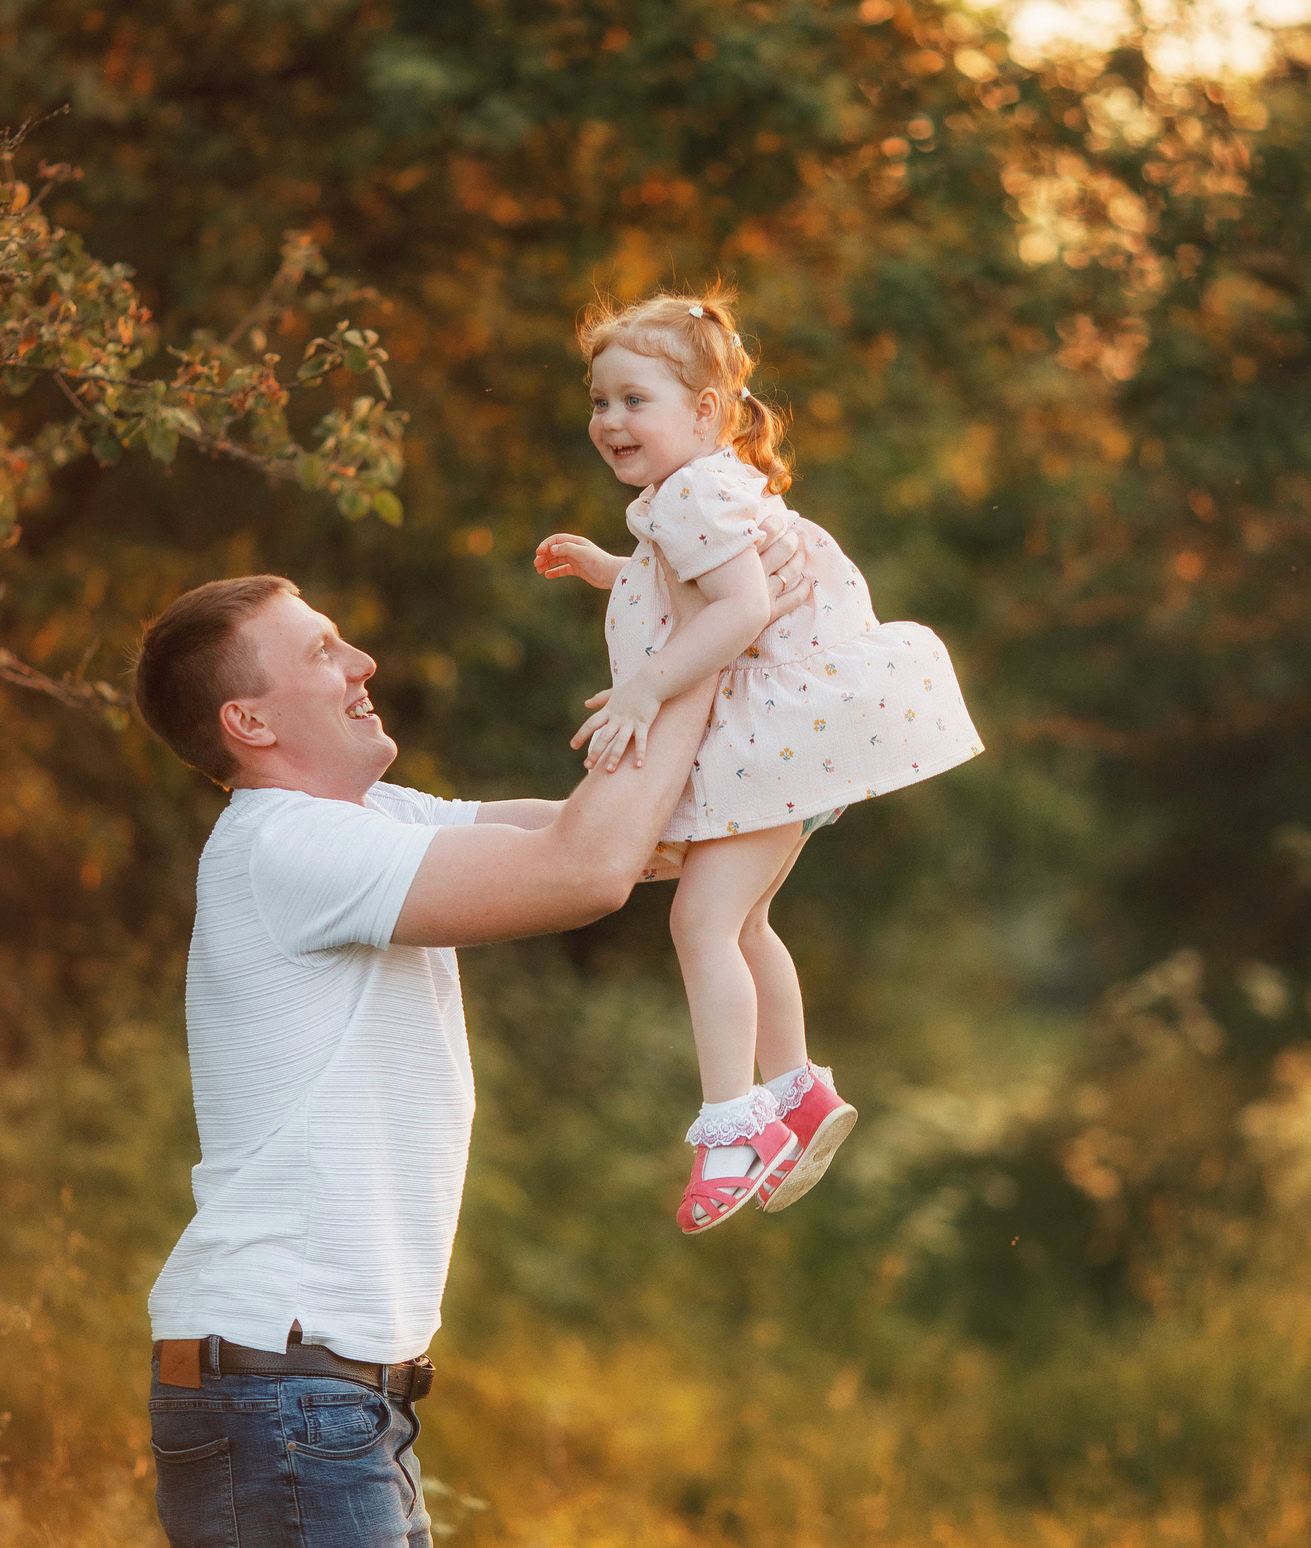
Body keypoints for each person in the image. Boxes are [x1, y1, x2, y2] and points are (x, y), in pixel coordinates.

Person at [129, 545, 805, 1548]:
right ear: (251, 722)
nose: (361, 663)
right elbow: (584, 873)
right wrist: (709, 643)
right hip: (285, 1393)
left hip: (324, 1400)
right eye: (322, 652)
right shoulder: (288, 846)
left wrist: (749, 663)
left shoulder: (377, 819)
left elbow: (635, 838)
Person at [533, 288, 985, 1236]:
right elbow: (684, 575)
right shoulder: (693, 493)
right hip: (786, 744)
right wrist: (605, 566)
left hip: (772, 740)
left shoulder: (692, 490)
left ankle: (735, 1129)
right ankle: (800, 1093)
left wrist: (645, 690)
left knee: (703, 921)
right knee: (741, 926)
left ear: (703, 412)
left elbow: (738, 610)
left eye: (633, 400)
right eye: (599, 400)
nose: (609, 420)